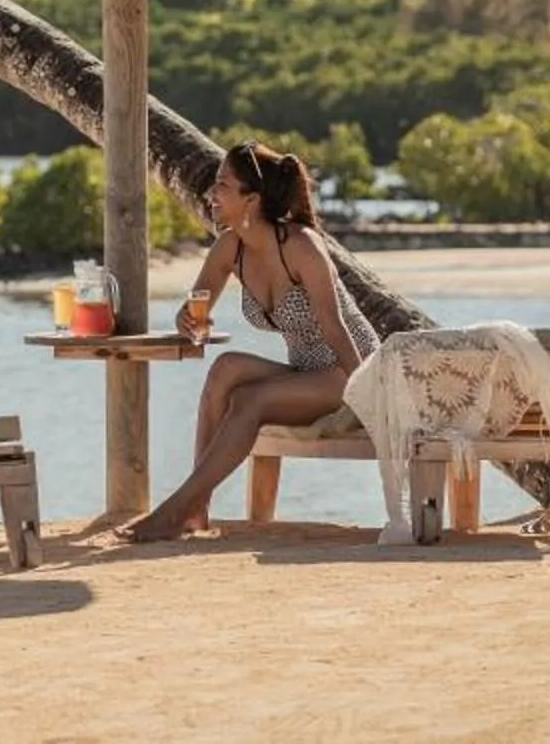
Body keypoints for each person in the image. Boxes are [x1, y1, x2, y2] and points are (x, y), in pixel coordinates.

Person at [118, 142, 380, 543]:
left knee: (250, 399)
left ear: (251, 200)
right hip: (306, 370)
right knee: (225, 369)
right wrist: (187, 321)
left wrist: (367, 392)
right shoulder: (231, 247)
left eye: (222, 185)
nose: (211, 193)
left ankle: (175, 511)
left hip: (349, 367)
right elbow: (196, 308)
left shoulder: (301, 246)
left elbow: (335, 326)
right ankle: (196, 511)